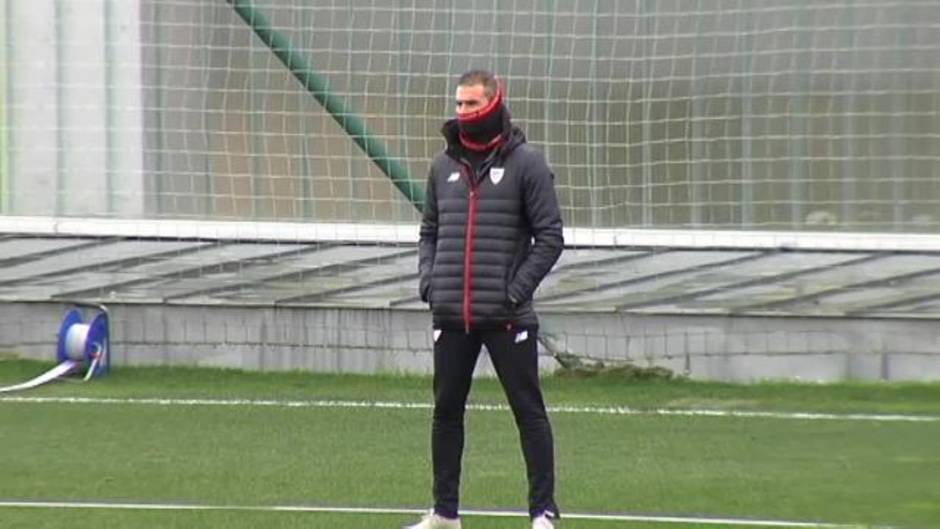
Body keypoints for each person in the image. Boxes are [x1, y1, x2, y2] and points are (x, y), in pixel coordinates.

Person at [407, 70, 564, 529]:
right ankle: (444, 514)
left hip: (508, 318)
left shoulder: (527, 163)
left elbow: (550, 237)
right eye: (458, 105)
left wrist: (514, 291)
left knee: (528, 413)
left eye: (472, 105)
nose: (463, 113)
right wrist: (430, 283)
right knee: (446, 413)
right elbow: (429, 232)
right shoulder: (442, 166)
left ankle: (543, 513)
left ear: (494, 105)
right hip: (452, 314)